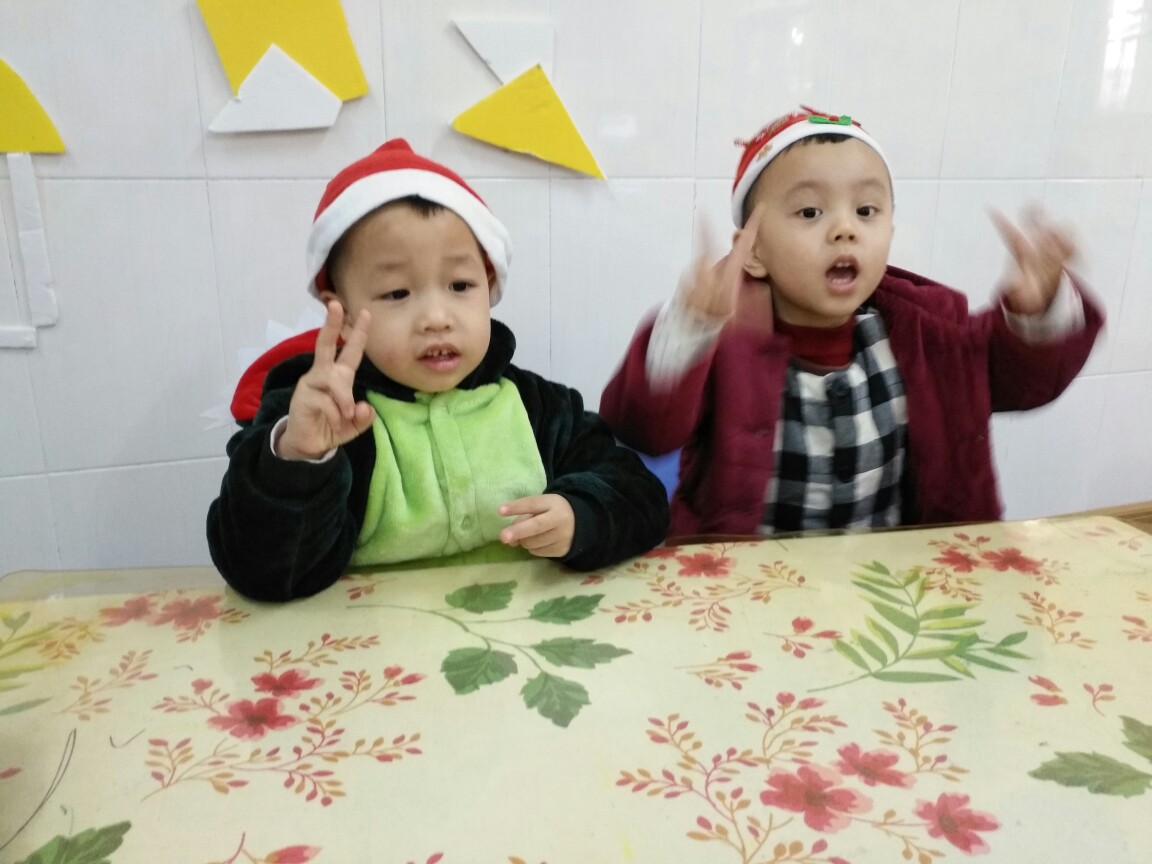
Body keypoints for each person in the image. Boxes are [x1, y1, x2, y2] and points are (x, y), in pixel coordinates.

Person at [600, 106, 1104, 539]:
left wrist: (1037, 312)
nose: (845, 229)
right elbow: (644, 428)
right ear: (752, 253)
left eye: (866, 210)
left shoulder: (930, 336)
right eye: (810, 212)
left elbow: (1022, 382)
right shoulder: (727, 343)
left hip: (894, 585)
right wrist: (690, 329)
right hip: (752, 589)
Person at [208, 139, 669, 601]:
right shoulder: (323, 421)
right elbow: (262, 573)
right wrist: (299, 461)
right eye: (397, 293)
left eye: (460, 285)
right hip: (374, 643)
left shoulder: (540, 408)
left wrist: (582, 516)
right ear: (342, 313)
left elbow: (640, 494)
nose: (436, 317)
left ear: (489, 286)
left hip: (526, 633)